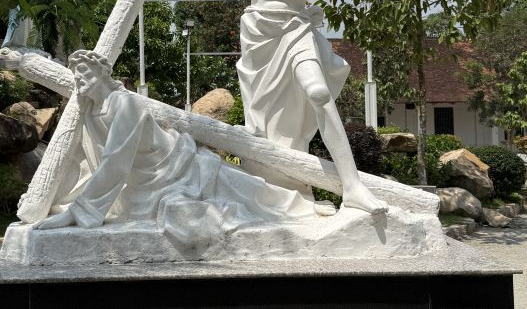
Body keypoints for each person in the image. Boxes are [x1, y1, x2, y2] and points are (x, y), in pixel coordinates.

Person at [223, 0, 387, 215]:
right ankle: (279, 187)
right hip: (259, 36)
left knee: (317, 92)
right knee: (265, 124)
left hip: (295, 28)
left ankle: (353, 187)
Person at [33, 49, 317, 241]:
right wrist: (63, 201)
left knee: (259, 196)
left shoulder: (125, 104)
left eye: (85, 71)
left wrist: (78, 211)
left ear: (103, 74)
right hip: (142, 188)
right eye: (76, 73)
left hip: (181, 170)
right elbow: (87, 160)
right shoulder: (90, 111)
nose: (79, 78)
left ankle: (303, 210)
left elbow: (115, 162)